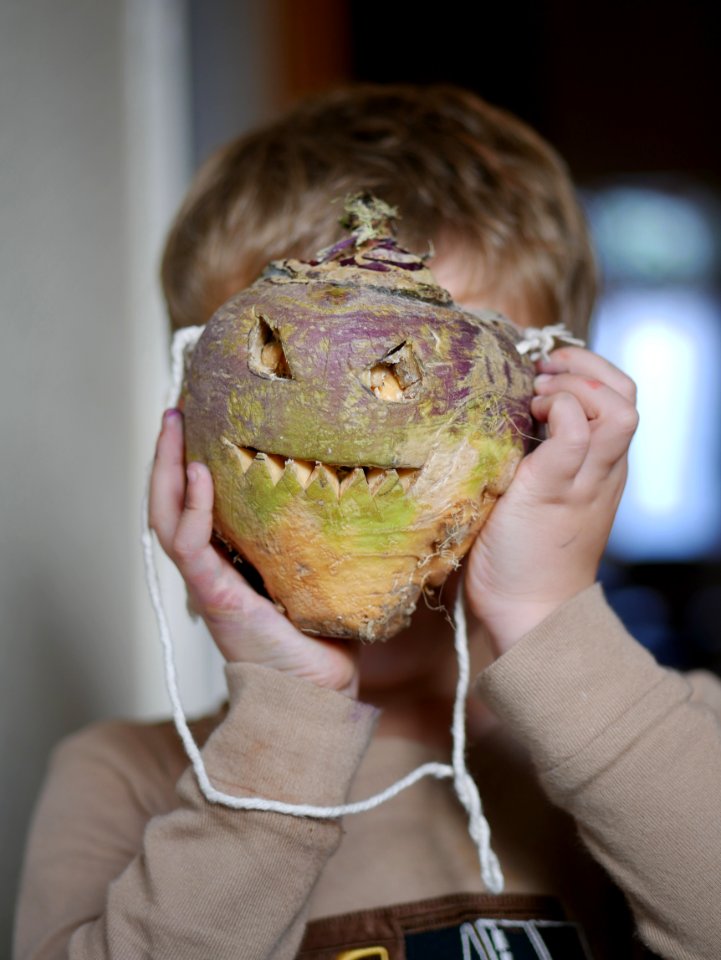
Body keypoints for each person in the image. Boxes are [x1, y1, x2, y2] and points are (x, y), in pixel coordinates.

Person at [14, 85, 721, 960]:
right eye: (273, 357)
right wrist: (287, 724)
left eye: (426, 373)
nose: (353, 425)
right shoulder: (127, 778)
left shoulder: (651, 736)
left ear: (553, 414)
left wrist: (547, 619)